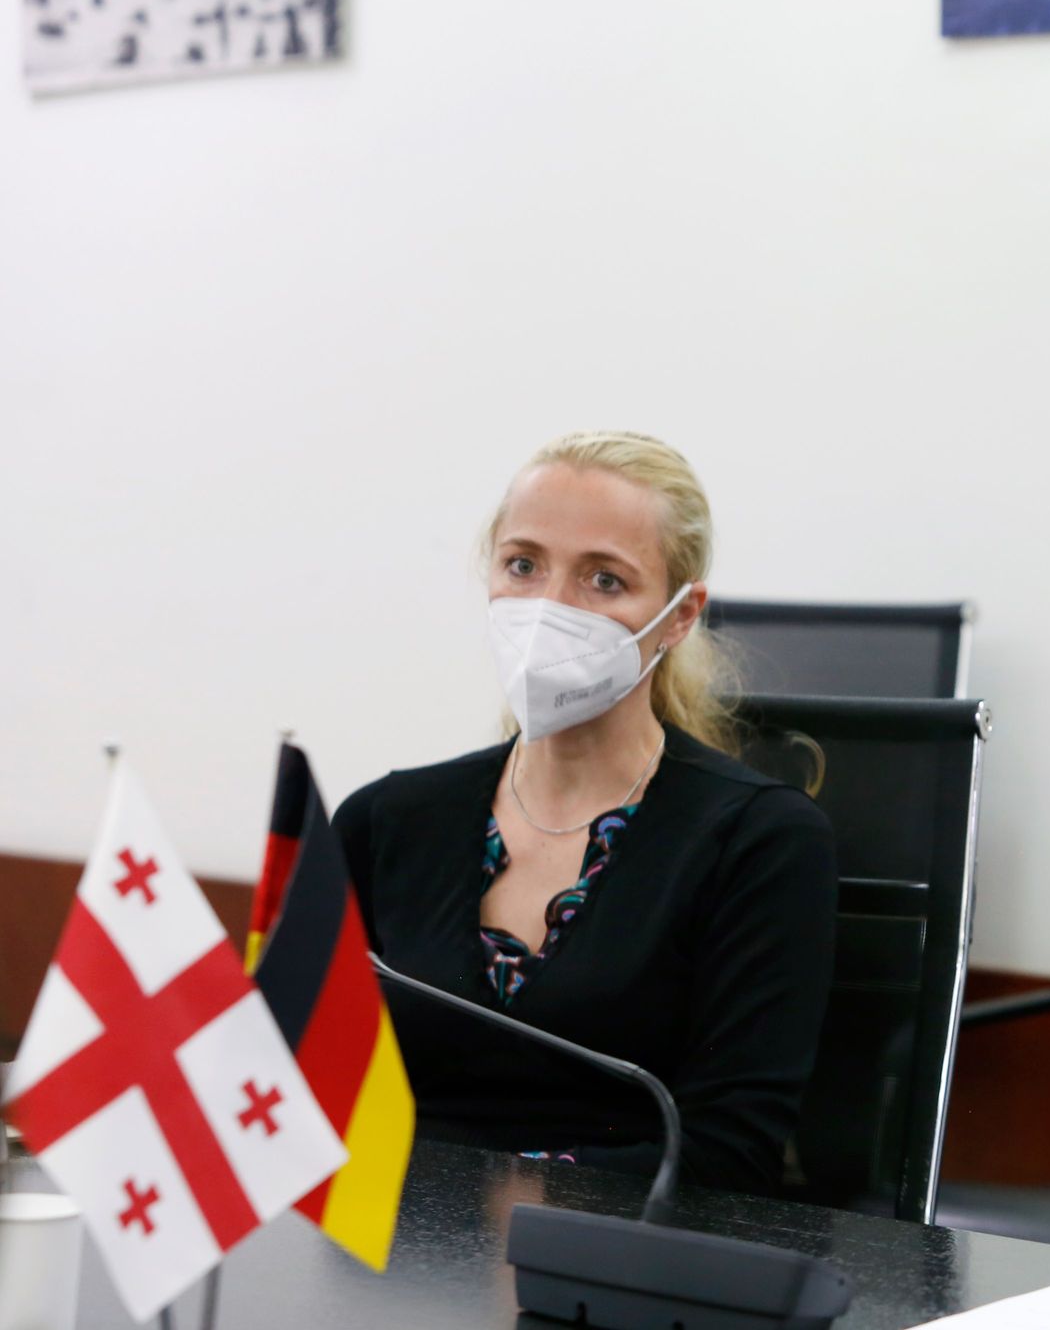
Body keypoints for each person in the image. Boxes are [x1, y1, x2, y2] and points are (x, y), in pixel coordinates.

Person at [334, 431, 836, 1195]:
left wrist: (496, 1208)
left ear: (679, 616)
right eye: (523, 565)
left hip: (607, 1252)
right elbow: (295, 1086)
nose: (548, 608)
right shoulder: (383, 821)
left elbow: (729, 1152)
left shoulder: (759, 842)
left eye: (604, 580)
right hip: (381, 1243)